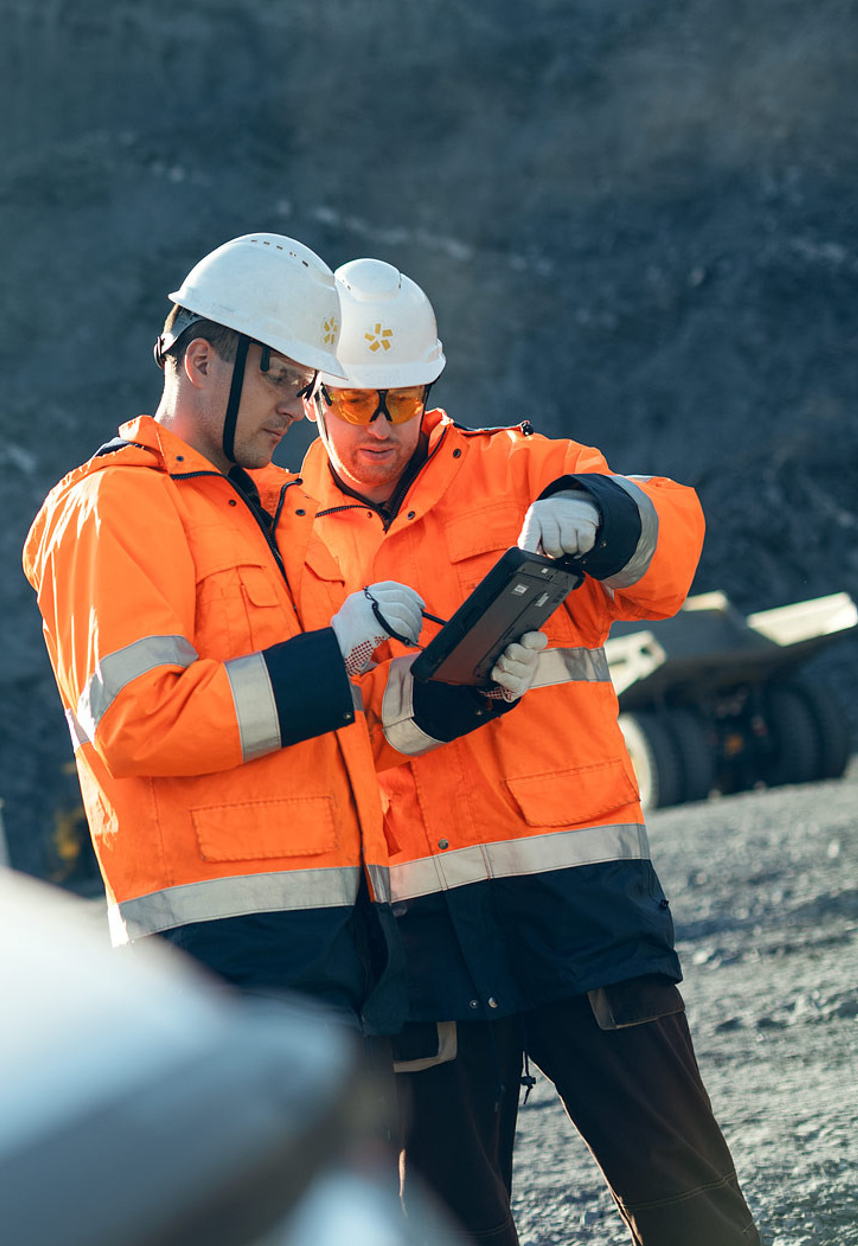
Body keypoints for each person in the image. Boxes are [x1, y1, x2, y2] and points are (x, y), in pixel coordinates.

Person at [298, 256, 756, 1244]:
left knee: (690, 1199)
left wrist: (605, 510)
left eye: (405, 395)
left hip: (580, 897)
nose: (382, 420)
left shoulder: (523, 470)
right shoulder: (279, 532)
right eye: (357, 398)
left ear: (432, 388)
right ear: (311, 397)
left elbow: (673, 545)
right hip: (418, 934)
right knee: (451, 1223)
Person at [21, 233, 544, 1035]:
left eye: (307, 386)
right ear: (200, 362)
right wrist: (329, 657)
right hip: (218, 959)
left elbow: (347, 724)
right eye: (283, 380)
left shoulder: (283, 507)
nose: (301, 409)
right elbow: (136, 719)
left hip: (345, 938)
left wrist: (459, 688)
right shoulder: (115, 507)